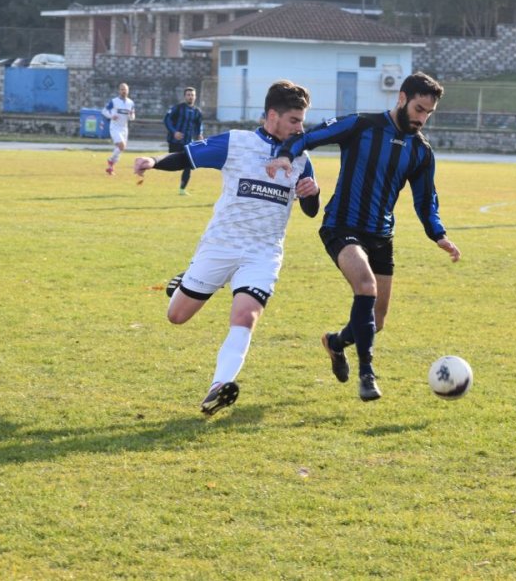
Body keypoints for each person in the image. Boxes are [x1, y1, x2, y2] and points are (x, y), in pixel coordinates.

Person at [266, 72, 461, 403]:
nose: (422, 118)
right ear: (401, 98)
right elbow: (310, 138)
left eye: (428, 113)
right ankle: (367, 374)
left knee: (377, 321)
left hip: (382, 235)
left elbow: (425, 199)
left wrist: (438, 234)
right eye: (418, 108)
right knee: (366, 286)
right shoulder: (361, 125)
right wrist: (286, 152)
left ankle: (336, 342)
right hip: (342, 226)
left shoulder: (421, 152)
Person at [133, 80, 321, 416]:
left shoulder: (300, 157)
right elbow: (189, 157)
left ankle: (218, 387)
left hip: (263, 253)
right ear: (272, 115)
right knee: (176, 316)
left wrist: (313, 193)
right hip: (221, 246)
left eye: (302, 121)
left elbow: (310, 211)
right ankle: (184, 281)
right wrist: (154, 161)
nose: (300, 128)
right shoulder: (237, 142)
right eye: (294, 120)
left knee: (245, 316)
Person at [163, 86, 204, 195]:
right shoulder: (178, 108)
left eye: (192, 95)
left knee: (188, 165)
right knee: (172, 163)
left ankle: (182, 189)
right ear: (185, 96)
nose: (191, 97)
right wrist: (174, 132)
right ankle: (152, 163)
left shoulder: (197, 111)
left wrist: (199, 133)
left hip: (187, 143)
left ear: (195, 97)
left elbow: (199, 124)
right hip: (174, 142)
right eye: (188, 95)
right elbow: (167, 120)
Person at [104, 82, 135, 175]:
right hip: (115, 127)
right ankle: (110, 161)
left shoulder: (131, 103)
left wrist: (131, 115)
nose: (123, 91)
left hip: (124, 128)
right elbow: (104, 111)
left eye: (125, 89)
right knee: (121, 146)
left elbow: (132, 117)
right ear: (119, 90)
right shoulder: (114, 101)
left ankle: (111, 167)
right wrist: (111, 116)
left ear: (128, 91)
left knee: (120, 148)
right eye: (122, 89)